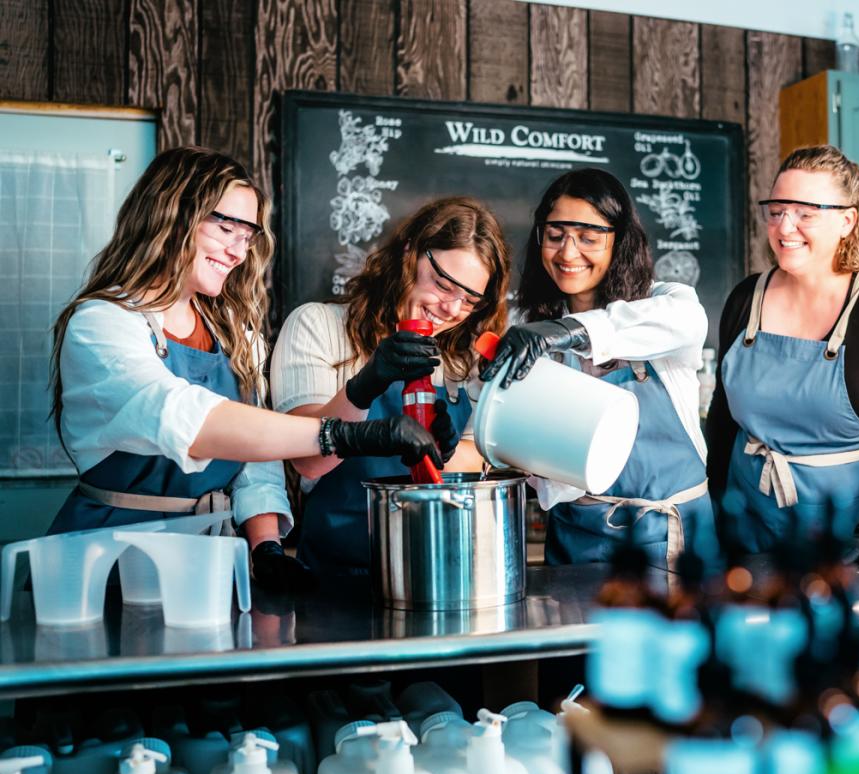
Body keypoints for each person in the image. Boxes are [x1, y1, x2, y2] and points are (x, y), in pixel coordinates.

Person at [48, 147, 449, 591]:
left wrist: (266, 548)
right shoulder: (102, 322)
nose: (238, 252)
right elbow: (187, 419)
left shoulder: (235, 333)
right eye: (225, 228)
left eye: (248, 236)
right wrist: (343, 434)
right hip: (110, 560)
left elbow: (253, 464)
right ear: (170, 214)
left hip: (209, 562)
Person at [706, 144, 859, 565]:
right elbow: (722, 423)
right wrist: (714, 518)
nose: (784, 226)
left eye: (805, 213)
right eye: (775, 211)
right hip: (749, 538)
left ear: (848, 220)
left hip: (851, 540)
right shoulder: (746, 298)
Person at [480, 168, 714, 568]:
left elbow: (688, 320)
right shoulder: (525, 325)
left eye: (588, 238)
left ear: (619, 242)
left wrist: (566, 332)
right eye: (555, 236)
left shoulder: (665, 302)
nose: (568, 254)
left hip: (667, 537)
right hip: (574, 535)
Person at [270, 197, 509, 578]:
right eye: (445, 284)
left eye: (470, 301)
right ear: (409, 253)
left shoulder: (464, 360)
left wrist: (443, 457)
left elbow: (480, 455)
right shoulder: (319, 326)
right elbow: (307, 462)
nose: (451, 308)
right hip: (337, 576)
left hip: (438, 569)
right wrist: (366, 384)